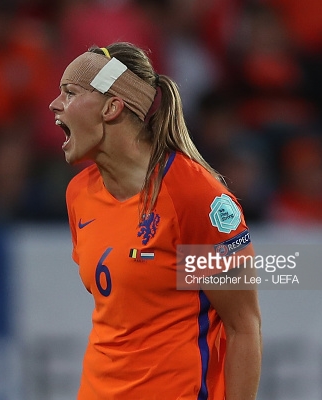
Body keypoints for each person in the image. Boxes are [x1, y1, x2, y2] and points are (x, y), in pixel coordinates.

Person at [49, 42, 262, 400]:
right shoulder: (79, 195)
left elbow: (243, 327)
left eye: (70, 93)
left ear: (112, 106)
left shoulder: (195, 198)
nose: (55, 105)